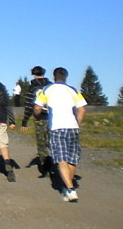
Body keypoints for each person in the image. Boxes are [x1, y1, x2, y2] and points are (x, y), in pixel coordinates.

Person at [34, 67, 87, 202]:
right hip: (72, 127)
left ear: (53, 76)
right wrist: (77, 123)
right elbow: (82, 109)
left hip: (57, 127)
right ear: (66, 77)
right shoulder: (73, 90)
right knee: (71, 159)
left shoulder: (47, 90)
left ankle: (70, 189)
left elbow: (37, 107)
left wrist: (38, 117)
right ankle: (69, 185)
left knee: (60, 158)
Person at [21, 66, 52, 176]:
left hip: (40, 117)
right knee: (53, 141)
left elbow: (29, 105)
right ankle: (57, 163)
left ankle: (45, 166)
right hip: (53, 117)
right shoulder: (51, 86)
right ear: (44, 73)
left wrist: (25, 121)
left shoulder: (32, 88)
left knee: (41, 142)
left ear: (33, 74)